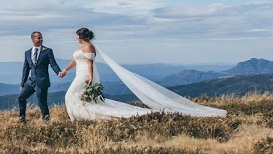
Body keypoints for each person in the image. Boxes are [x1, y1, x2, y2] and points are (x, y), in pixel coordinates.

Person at [61, 28, 227, 121]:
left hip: (85, 76)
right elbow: (76, 60)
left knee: (71, 95)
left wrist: (90, 80)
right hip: (79, 74)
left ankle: (81, 118)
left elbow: (89, 63)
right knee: (76, 97)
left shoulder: (88, 47)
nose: (76, 37)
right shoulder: (83, 49)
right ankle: (80, 117)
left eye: (77, 35)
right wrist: (66, 70)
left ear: (81, 36)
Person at [18, 31, 63, 123]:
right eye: (39, 38)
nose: (41, 39)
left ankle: (46, 122)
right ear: (33, 39)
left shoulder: (48, 51)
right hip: (31, 82)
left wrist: (58, 72)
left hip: (42, 81)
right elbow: (25, 69)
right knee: (21, 97)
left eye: (41, 37)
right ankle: (22, 120)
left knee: (42, 102)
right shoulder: (27, 53)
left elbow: (53, 63)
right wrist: (22, 83)